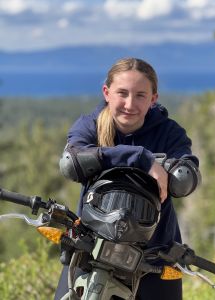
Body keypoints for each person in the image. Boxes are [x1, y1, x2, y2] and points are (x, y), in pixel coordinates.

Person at [56, 57, 201, 300]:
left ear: (154, 98)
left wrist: (175, 169)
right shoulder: (90, 126)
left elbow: (186, 177)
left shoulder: (168, 133)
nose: (129, 104)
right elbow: (72, 162)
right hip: (91, 251)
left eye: (140, 95)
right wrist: (143, 159)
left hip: (154, 259)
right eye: (122, 93)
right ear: (106, 92)